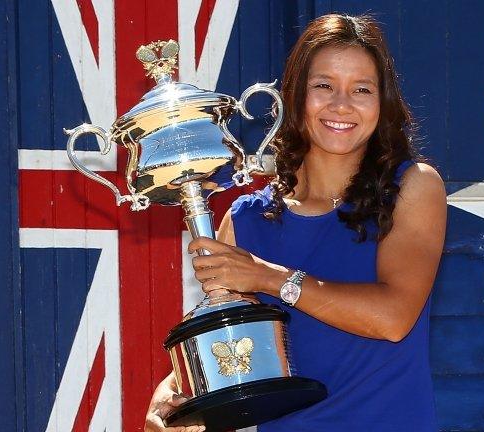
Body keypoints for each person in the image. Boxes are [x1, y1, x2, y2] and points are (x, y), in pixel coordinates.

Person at [144, 13, 446, 432]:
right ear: (293, 95)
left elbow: (392, 320)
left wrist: (269, 278)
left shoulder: (413, 187)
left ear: (384, 102)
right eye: (323, 86)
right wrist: (175, 393)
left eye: (362, 89)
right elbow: (229, 342)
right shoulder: (246, 221)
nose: (341, 104)